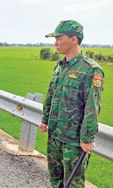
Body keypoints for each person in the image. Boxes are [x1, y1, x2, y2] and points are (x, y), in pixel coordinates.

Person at [40, 20, 104, 187]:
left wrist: (87, 139)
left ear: (74, 39)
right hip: (54, 136)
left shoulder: (91, 70)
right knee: (56, 181)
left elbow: (92, 108)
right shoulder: (60, 66)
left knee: (73, 184)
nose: (55, 43)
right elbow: (51, 95)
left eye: (59, 38)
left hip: (74, 142)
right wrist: (45, 120)